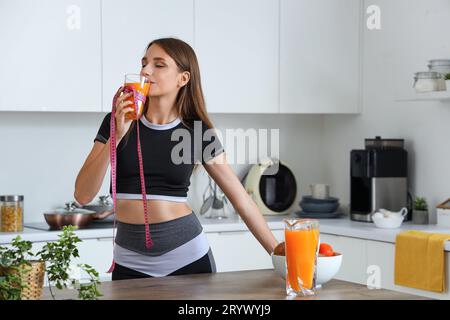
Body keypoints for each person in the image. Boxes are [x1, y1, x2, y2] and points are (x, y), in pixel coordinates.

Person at [74, 37, 281, 281]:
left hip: (186, 259)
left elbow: (240, 199)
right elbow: (82, 195)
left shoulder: (195, 131)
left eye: (159, 65)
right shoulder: (115, 121)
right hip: (128, 261)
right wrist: (116, 136)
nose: (145, 70)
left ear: (183, 78)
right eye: (144, 63)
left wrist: (279, 253)